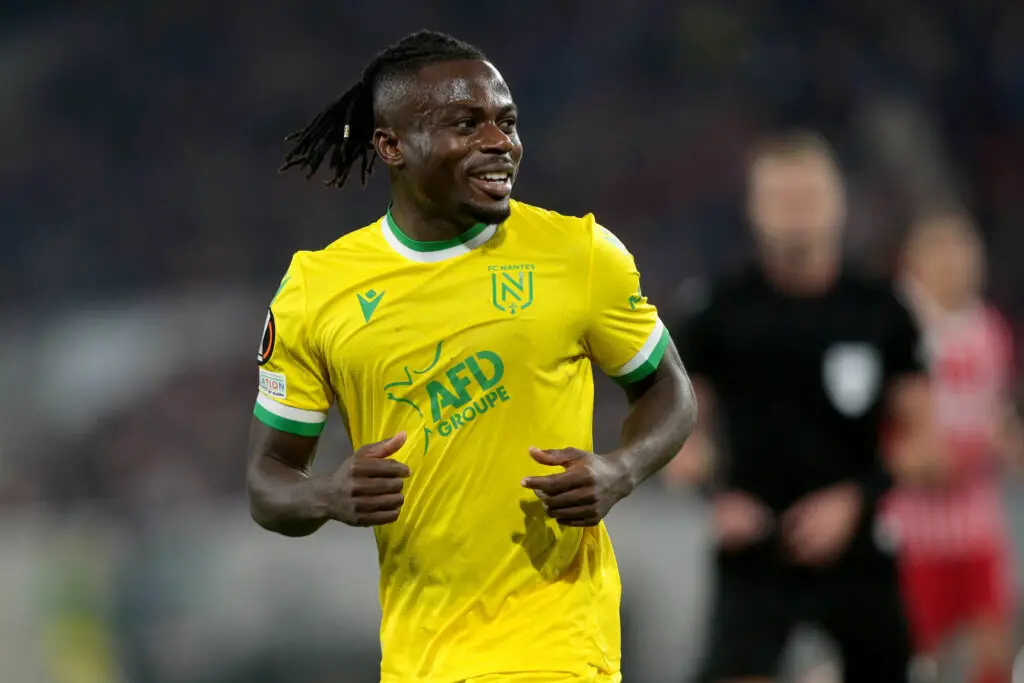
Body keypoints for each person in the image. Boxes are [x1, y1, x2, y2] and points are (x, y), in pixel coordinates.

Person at [245, 30, 697, 683]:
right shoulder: (317, 291)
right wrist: (327, 494)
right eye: (466, 124)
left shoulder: (579, 254)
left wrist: (619, 470)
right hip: (418, 660)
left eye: (506, 122)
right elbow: (268, 481)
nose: (500, 142)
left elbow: (668, 390)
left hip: (557, 647)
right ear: (392, 146)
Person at [670, 130, 930, 683]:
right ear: (753, 208)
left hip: (859, 549)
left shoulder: (883, 310)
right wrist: (718, 495)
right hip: (755, 552)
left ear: (839, 203)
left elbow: (926, 442)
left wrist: (855, 499)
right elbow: (677, 434)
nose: (795, 214)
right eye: (781, 199)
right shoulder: (717, 311)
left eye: (808, 197)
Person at [882, 211, 1022, 683]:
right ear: (916, 262)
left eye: (964, 253)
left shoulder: (990, 330)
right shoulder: (897, 327)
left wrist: (1005, 443)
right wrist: (908, 460)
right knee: (923, 658)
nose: (955, 264)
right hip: (914, 531)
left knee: (994, 652)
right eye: (942, 253)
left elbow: (995, 411)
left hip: (977, 522)